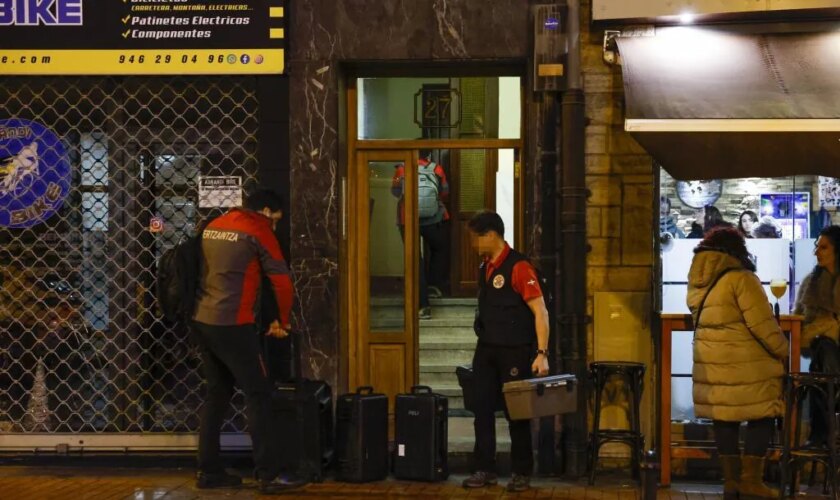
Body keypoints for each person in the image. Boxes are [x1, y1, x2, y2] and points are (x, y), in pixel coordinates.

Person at [191, 189, 301, 494]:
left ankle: (208, 470)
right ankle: (269, 474)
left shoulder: (216, 224)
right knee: (258, 394)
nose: (276, 227)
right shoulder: (257, 229)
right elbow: (280, 279)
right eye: (275, 220)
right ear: (265, 212)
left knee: (217, 393)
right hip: (233, 323)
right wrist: (283, 320)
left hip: (203, 319)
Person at [687, 226, 788, 499]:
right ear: (737, 251)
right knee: (764, 412)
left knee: (724, 417)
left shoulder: (698, 281)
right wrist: (783, 349)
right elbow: (763, 325)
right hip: (747, 363)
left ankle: (731, 481)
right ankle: (751, 481)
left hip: (713, 362)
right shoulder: (741, 279)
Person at [461, 211, 550, 493]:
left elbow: (540, 312)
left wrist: (541, 353)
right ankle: (484, 468)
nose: (473, 244)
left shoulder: (519, 267)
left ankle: (521, 472)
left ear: (490, 235)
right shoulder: (484, 267)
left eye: (476, 238)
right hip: (486, 350)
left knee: (517, 413)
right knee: (482, 410)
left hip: (514, 351)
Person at [793, 225, 840, 447]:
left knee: (820, 367)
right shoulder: (809, 282)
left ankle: (821, 432)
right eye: (816, 247)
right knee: (824, 349)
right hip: (822, 349)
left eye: (824, 247)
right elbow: (797, 320)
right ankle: (827, 424)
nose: (817, 252)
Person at [391, 150, 450, 319]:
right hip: (433, 219)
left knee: (415, 261)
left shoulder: (401, 169)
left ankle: (423, 306)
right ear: (428, 155)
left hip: (407, 220)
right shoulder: (437, 169)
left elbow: (395, 192)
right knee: (440, 247)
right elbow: (444, 192)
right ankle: (433, 285)